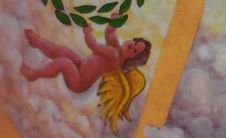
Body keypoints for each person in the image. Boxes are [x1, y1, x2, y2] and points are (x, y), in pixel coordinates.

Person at [20, 25, 150, 93]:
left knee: (65, 62)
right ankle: (37, 42)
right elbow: (109, 33)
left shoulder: (114, 54)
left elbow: (93, 45)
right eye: (135, 43)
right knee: (65, 52)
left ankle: (33, 74)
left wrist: (87, 33)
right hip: (81, 66)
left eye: (135, 51)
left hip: (79, 82)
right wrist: (115, 20)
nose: (132, 47)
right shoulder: (116, 50)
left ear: (132, 58)